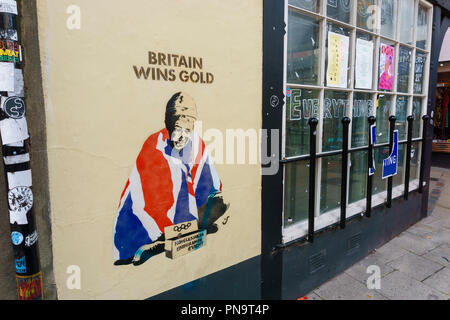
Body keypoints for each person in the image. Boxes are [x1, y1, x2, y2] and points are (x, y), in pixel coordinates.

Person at [113, 92, 229, 266]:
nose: (183, 136)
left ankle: (185, 231)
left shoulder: (196, 143)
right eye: (178, 129)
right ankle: (162, 240)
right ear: (169, 125)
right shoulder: (154, 146)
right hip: (142, 227)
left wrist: (214, 203)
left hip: (177, 224)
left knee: (216, 204)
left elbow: (210, 183)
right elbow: (147, 203)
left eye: (188, 129)